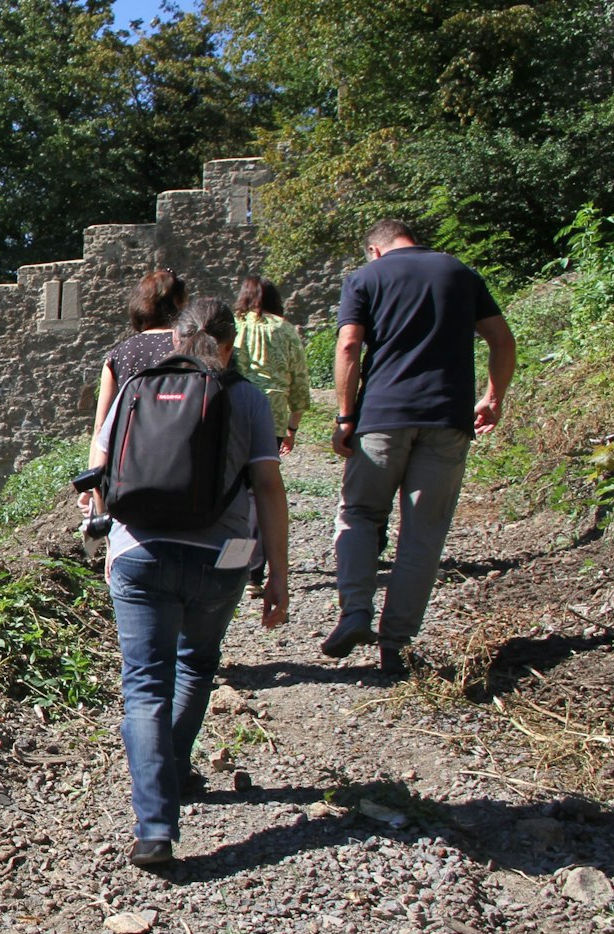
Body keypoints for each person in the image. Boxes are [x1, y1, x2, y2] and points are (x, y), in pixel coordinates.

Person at [90, 298, 291, 868]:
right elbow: (268, 488)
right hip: (220, 559)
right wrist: (277, 572)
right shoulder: (247, 397)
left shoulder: (136, 387)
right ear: (229, 345)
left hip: (139, 554)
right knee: (197, 664)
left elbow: (99, 470)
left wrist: (107, 539)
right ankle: (175, 769)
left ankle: (154, 826)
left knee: (144, 686)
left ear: (175, 340)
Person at [323, 220, 517, 672]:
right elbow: (502, 339)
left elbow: (349, 346)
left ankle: (355, 611)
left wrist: (345, 416)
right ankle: (396, 644)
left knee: (360, 514)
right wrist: (493, 398)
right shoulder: (459, 273)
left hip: (382, 418)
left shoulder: (365, 278)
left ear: (375, 250)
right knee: (423, 534)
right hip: (448, 419)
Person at [87, 268, 189, 466]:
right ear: (178, 303)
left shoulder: (118, 355)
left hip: (131, 466)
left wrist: (91, 477)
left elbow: (101, 426)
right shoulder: (191, 347)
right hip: (181, 461)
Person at [233, 276, 309, 455]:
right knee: (265, 467)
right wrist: (292, 427)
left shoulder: (233, 325)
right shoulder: (286, 329)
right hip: (274, 414)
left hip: (236, 409)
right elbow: (299, 380)